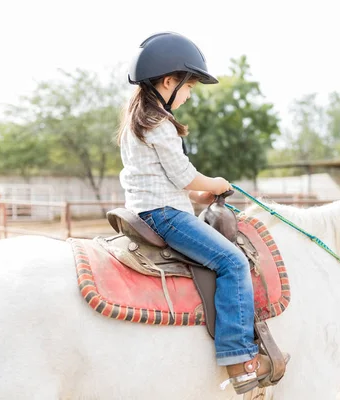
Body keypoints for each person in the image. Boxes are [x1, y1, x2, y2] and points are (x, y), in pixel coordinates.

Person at [116, 32, 286, 394]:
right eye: (189, 86)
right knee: (233, 262)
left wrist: (202, 189)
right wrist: (215, 182)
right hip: (165, 214)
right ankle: (239, 360)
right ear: (168, 82)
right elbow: (184, 176)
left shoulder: (138, 121)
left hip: (150, 207)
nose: (190, 94)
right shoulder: (159, 123)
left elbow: (172, 179)